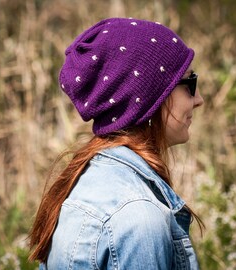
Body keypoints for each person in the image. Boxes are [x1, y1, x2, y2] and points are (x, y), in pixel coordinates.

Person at [29, 17, 204, 269]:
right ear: (149, 100)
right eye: (189, 82)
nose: (199, 99)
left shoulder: (92, 181)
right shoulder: (137, 217)